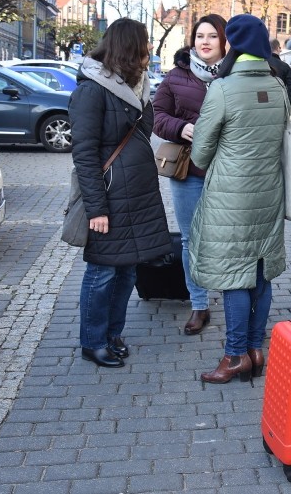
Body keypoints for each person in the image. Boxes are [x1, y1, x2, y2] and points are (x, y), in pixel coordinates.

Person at [189, 14, 289, 384]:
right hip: (269, 193)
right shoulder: (278, 85)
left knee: (234, 275)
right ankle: (255, 350)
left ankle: (234, 357)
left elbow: (200, 154)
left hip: (231, 198)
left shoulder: (224, 88)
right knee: (261, 273)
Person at [69, 18, 173, 368]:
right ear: (130, 48)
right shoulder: (92, 90)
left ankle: (113, 334)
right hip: (110, 197)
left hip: (137, 196)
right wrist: (97, 208)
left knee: (127, 272)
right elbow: (84, 153)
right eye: (144, 45)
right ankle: (92, 341)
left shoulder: (137, 87)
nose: (148, 52)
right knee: (102, 273)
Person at [152, 13, 227, 336]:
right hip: (190, 170)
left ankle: (234, 297)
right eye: (200, 36)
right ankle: (199, 304)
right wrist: (181, 127)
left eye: (212, 36)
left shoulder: (236, 74)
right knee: (190, 240)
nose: (205, 42)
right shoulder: (177, 76)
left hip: (228, 172)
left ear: (224, 41)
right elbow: (156, 117)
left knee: (225, 239)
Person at [269, 38, 291, 106]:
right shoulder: (284, 66)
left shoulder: (260, 64)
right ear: (278, 48)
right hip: (279, 104)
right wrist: (287, 104)